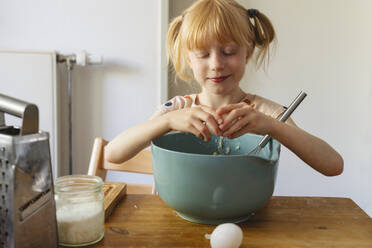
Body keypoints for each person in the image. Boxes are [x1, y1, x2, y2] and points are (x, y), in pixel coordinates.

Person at [105, 0, 343, 180]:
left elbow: (333, 165)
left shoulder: (265, 113)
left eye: (228, 51)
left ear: (247, 53)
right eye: (203, 54)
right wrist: (166, 122)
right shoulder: (177, 110)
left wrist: (272, 126)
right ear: (189, 58)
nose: (216, 64)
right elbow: (112, 154)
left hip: (246, 218)